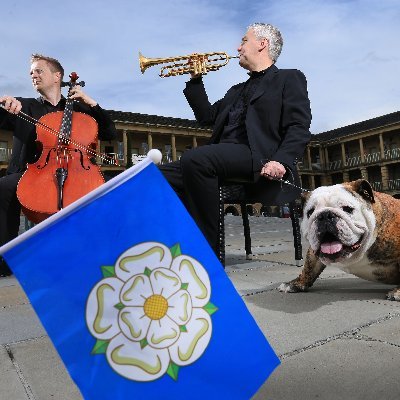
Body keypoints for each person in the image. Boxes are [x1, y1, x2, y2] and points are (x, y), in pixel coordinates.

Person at [160, 23, 312, 256]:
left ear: (263, 44)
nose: (238, 47)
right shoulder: (235, 90)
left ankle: (206, 254)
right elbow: (206, 117)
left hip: (257, 155)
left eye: (244, 40)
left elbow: (298, 126)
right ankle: (172, 244)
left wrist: (281, 161)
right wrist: (195, 79)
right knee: (156, 176)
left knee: (196, 159)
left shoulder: (289, 78)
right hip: (224, 155)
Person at [0, 54, 117, 276]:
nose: (33, 75)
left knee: (106, 190)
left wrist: (92, 104)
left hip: (75, 170)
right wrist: (3, 103)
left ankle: (98, 255)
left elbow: (110, 132)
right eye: (31, 72)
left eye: (38, 71)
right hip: (33, 173)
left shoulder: (81, 111)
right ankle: (5, 263)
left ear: (57, 76)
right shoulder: (24, 106)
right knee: (4, 188)